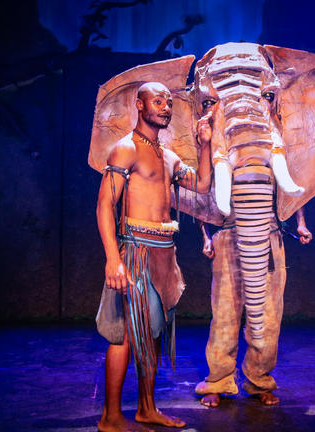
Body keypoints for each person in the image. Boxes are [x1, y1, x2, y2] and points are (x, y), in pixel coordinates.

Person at [95, 82, 212, 432]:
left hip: (163, 254)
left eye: (169, 102)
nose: (165, 107)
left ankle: (147, 409)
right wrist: (112, 258)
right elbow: (104, 205)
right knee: (126, 334)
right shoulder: (125, 149)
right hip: (135, 251)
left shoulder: (169, 157)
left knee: (153, 333)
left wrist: (205, 144)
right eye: (157, 101)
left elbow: (202, 185)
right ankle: (110, 417)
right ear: (139, 104)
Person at [195, 207, 312, 407]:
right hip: (228, 235)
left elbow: (294, 193)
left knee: (268, 316)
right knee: (224, 313)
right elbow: (202, 200)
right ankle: (218, 381)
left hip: (267, 237)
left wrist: (301, 222)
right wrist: (206, 236)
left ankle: (259, 380)